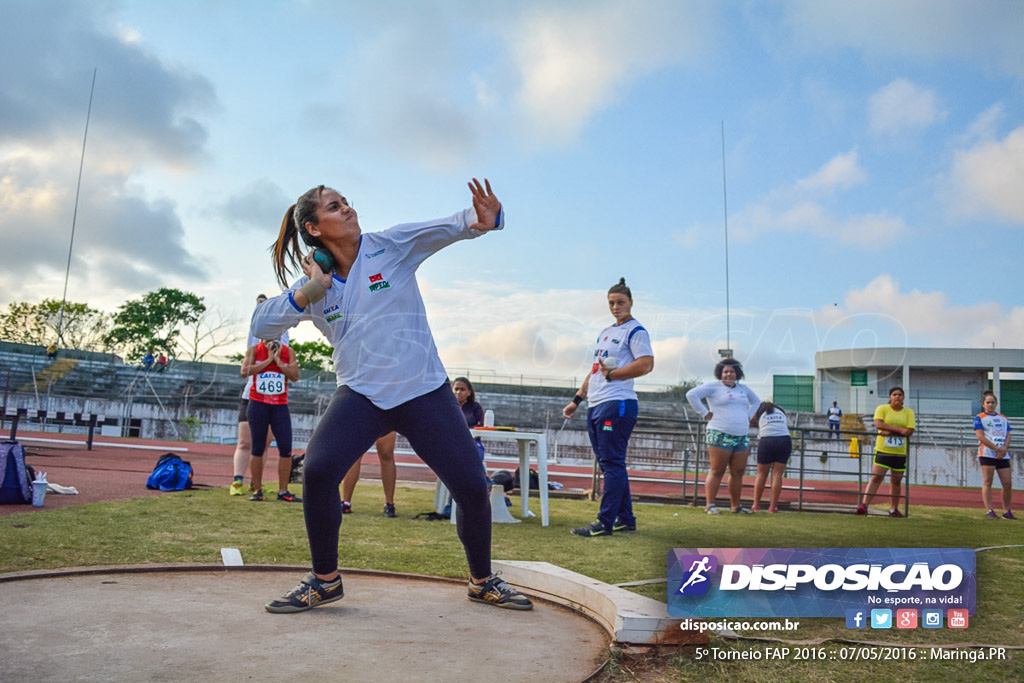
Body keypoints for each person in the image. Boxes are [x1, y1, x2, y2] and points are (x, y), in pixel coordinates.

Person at [251, 178, 531, 612]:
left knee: (473, 487)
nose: (347, 208)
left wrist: (485, 220)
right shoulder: (316, 287)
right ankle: (325, 581)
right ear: (313, 228)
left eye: (345, 202)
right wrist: (309, 291)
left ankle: (481, 580)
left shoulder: (390, 245)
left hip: (423, 390)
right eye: (334, 206)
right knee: (321, 470)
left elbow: (450, 226)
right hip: (361, 395)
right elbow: (261, 326)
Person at [563, 278, 654, 537]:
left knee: (612, 463)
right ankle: (625, 519)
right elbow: (595, 371)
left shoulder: (636, 331)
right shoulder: (605, 332)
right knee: (609, 464)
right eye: (612, 303)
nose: (616, 307)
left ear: (631, 303)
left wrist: (614, 376)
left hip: (618, 403)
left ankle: (605, 522)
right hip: (596, 403)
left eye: (621, 302)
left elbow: (646, 364)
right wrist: (577, 400)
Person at [230, 295, 290, 497]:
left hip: (276, 400)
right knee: (246, 442)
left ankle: (257, 484)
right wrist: (262, 306)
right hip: (253, 396)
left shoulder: (284, 336)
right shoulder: (255, 337)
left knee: (264, 443)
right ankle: (237, 480)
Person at [686, 358, 760, 515]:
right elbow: (691, 395)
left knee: (738, 472)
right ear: (720, 373)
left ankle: (736, 506)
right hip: (719, 432)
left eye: (732, 371)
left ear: (737, 373)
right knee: (717, 470)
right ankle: (710, 505)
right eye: (725, 371)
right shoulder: (713, 387)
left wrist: (748, 416)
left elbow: (756, 402)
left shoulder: (743, 389)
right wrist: (705, 413)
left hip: (741, 434)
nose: (728, 374)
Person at [242, 338, 301, 502]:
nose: (271, 339)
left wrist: (277, 361)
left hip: (280, 405)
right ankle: (257, 490)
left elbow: (295, 376)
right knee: (258, 447)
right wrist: (268, 360)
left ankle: (283, 490)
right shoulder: (254, 350)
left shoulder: (288, 352)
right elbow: (244, 371)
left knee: (285, 447)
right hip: (258, 404)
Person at [856, 387, 915, 517]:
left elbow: (909, 430)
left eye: (900, 394)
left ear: (903, 397)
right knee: (876, 477)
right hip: (883, 450)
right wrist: (899, 430)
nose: (897, 397)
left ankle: (894, 509)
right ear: (890, 397)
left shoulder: (908, 412)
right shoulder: (882, 409)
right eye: (894, 394)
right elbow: (879, 424)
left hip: (899, 452)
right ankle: (864, 504)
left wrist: (892, 431)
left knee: (896, 480)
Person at [974, 390, 1014, 520]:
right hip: (987, 453)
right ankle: (989, 509)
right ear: (983, 404)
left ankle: (1006, 510)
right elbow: (980, 436)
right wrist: (996, 448)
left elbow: (1008, 434)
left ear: (996, 403)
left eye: (992, 402)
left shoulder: (1003, 418)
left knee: (1007, 483)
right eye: (988, 402)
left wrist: (1004, 449)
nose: (990, 405)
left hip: (1002, 454)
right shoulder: (979, 417)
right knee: (988, 481)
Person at [341, 432, 399, 517]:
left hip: (386, 419)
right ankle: (346, 503)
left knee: (386, 453)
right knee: (355, 452)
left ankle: (389, 504)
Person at [751, 401, 792, 513]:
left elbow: (750, 421)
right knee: (777, 474)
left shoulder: (760, 412)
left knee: (761, 474)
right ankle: (773, 507)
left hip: (767, 440)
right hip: (784, 439)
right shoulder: (780, 411)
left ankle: (756, 505)